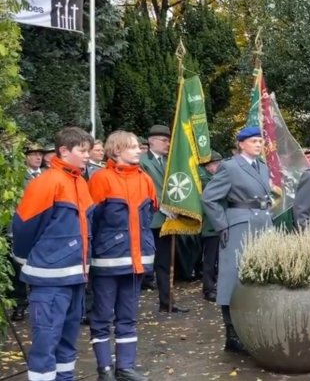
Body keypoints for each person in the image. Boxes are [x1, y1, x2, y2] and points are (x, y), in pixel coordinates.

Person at [12, 127, 95, 381]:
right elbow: (25, 227)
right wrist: (32, 260)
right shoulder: (47, 182)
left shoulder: (79, 181)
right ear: (64, 151)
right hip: (49, 279)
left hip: (75, 277)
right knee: (46, 342)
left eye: (89, 151)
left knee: (67, 342)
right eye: (82, 150)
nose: (87, 156)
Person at [87, 131, 156, 381]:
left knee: (128, 318)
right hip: (107, 262)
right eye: (133, 147)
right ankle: (104, 368)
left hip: (136, 264)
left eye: (138, 147)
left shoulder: (145, 179)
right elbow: (90, 221)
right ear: (117, 150)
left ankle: (125, 367)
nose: (139, 150)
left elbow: (149, 217)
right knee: (102, 317)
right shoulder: (101, 179)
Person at [202, 127, 273, 354]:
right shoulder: (230, 167)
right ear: (241, 144)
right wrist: (222, 224)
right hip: (240, 224)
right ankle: (232, 333)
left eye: (260, 141)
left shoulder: (262, 167)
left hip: (263, 223)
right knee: (233, 278)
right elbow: (209, 198)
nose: (258, 144)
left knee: (261, 275)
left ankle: (254, 327)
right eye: (253, 141)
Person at [138, 125, 188, 313]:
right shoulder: (142, 161)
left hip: (167, 220)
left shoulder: (169, 162)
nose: (168, 144)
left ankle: (167, 302)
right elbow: (144, 187)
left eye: (169, 140)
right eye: (164, 140)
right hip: (149, 218)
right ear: (152, 141)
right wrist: (162, 205)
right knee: (143, 262)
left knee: (165, 262)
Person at [8, 143, 45, 321]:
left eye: (40, 154)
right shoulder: (17, 177)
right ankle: (20, 305)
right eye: (33, 154)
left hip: (42, 229)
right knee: (19, 268)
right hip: (23, 227)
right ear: (26, 157)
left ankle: (40, 303)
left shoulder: (47, 175)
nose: (38, 157)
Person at [198, 151, 222, 303]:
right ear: (207, 167)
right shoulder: (205, 180)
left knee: (220, 259)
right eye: (215, 164)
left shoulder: (216, 178)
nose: (217, 167)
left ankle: (216, 287)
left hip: (220, 224)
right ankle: (209, 289)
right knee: (210, 260)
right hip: (211, 226)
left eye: (219, 163)